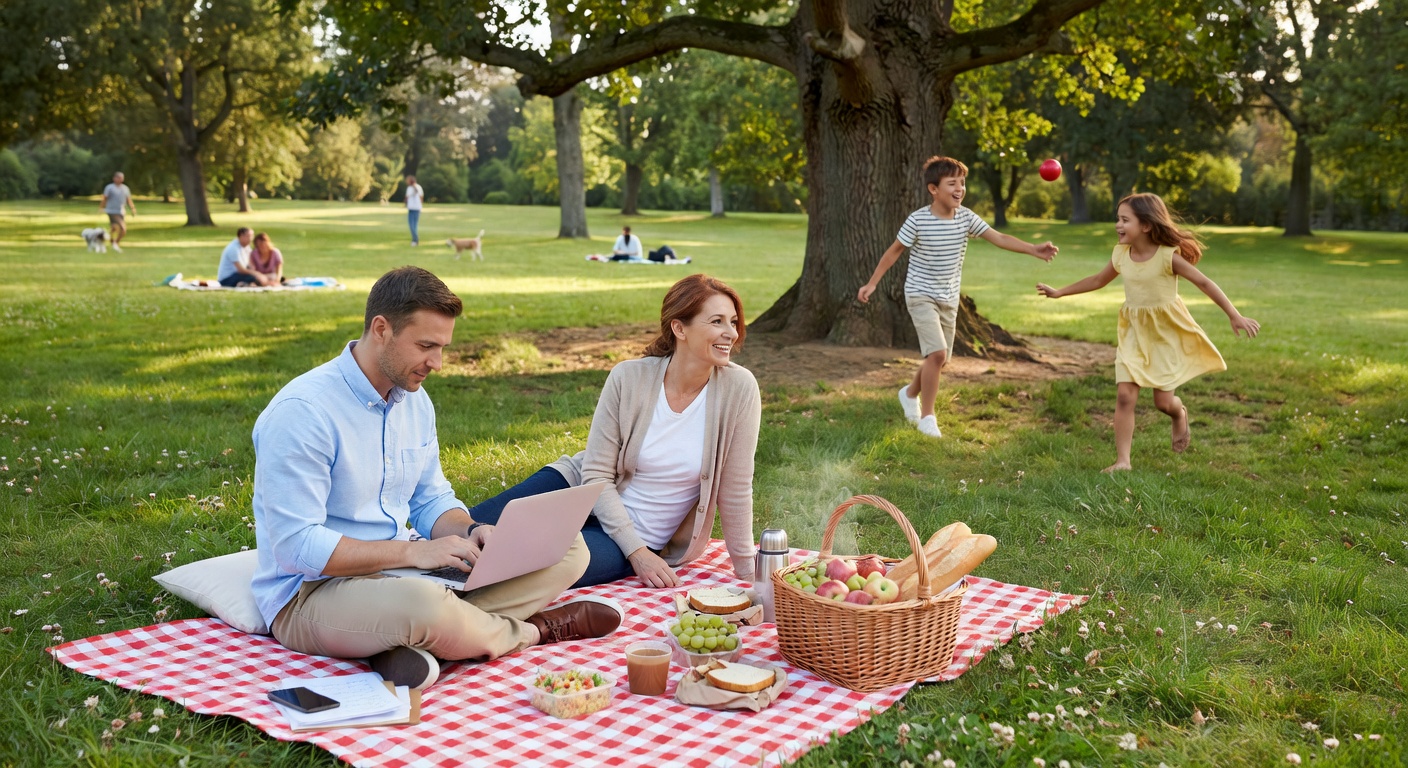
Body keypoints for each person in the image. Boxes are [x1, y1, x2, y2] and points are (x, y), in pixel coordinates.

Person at [251, 266, 623, 689]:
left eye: (443, 347)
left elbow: (430, 500)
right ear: (381, 329)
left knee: (568, 548)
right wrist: (413, 554)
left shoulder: (414, 400)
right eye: (426, 345)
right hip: (311, 596)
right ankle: (534, 630)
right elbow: (296, 547)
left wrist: (472, 530)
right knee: (424, 604)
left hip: (401, 579)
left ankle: (412, 644)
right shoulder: (304, 412)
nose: (438, 363)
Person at [465, 274, 761, 589]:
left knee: (520, 564)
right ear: (679, 328)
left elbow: (735, 490)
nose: (731, 332)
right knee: (467, 525)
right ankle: (410, 563)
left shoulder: (739, 390)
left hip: (628, 538)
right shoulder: (628, 377)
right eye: (717, 321)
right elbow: (596, 472)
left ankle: (438, 597)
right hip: (575, 488)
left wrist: (749, 575)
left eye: (733, 321)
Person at [1036, 193, 1261, 473]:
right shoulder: (1121, 254)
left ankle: (1179, 414)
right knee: (1125, 396)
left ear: (1145, 225)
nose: (1118, 225)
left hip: (1165, 335)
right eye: (1118, 219)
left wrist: (1234, 314)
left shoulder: (1168, 257)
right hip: (1133, 332)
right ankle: (1123, 461)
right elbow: (1097, 280)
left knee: (1163, 402)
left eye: (1124, 220)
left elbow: (1204, 282)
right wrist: (1060, 292)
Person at [858, 156, 1058, 438]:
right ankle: (928, 417)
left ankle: (909, 393)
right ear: (933, 189)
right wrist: (871, 283)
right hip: (920, 293)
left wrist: (1033, 249)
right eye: (952, 183)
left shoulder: (965, 217)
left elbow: (999, 237)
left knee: (939, 359)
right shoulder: (918, 219)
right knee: (937, 354)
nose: (960, 189)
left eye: (962, 183)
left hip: (949, 298)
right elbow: (894, 251)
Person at [100, 171, 136, 252]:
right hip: (111, 211)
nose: (120, 179)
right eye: (118, 177)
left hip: (121, 211)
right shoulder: (109, 187)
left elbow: (128, 199)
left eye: (121, 178)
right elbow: (104, 198)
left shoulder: (125, 188)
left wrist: (132, 208)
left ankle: (111, 240)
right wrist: (101, 207)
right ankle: (116, 243)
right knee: (123, 228)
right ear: (114, 178)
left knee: (114, 228)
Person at [404, 175, 424, 247]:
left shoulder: (409, 188)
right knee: (414, 225)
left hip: (412, 208)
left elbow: (407, 197)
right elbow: (421, 198)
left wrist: (405, 204)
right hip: (417, 208)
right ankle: (415, 239)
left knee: (412, 225)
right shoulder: (419, 187)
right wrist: (420, 207)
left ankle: (415, 240)